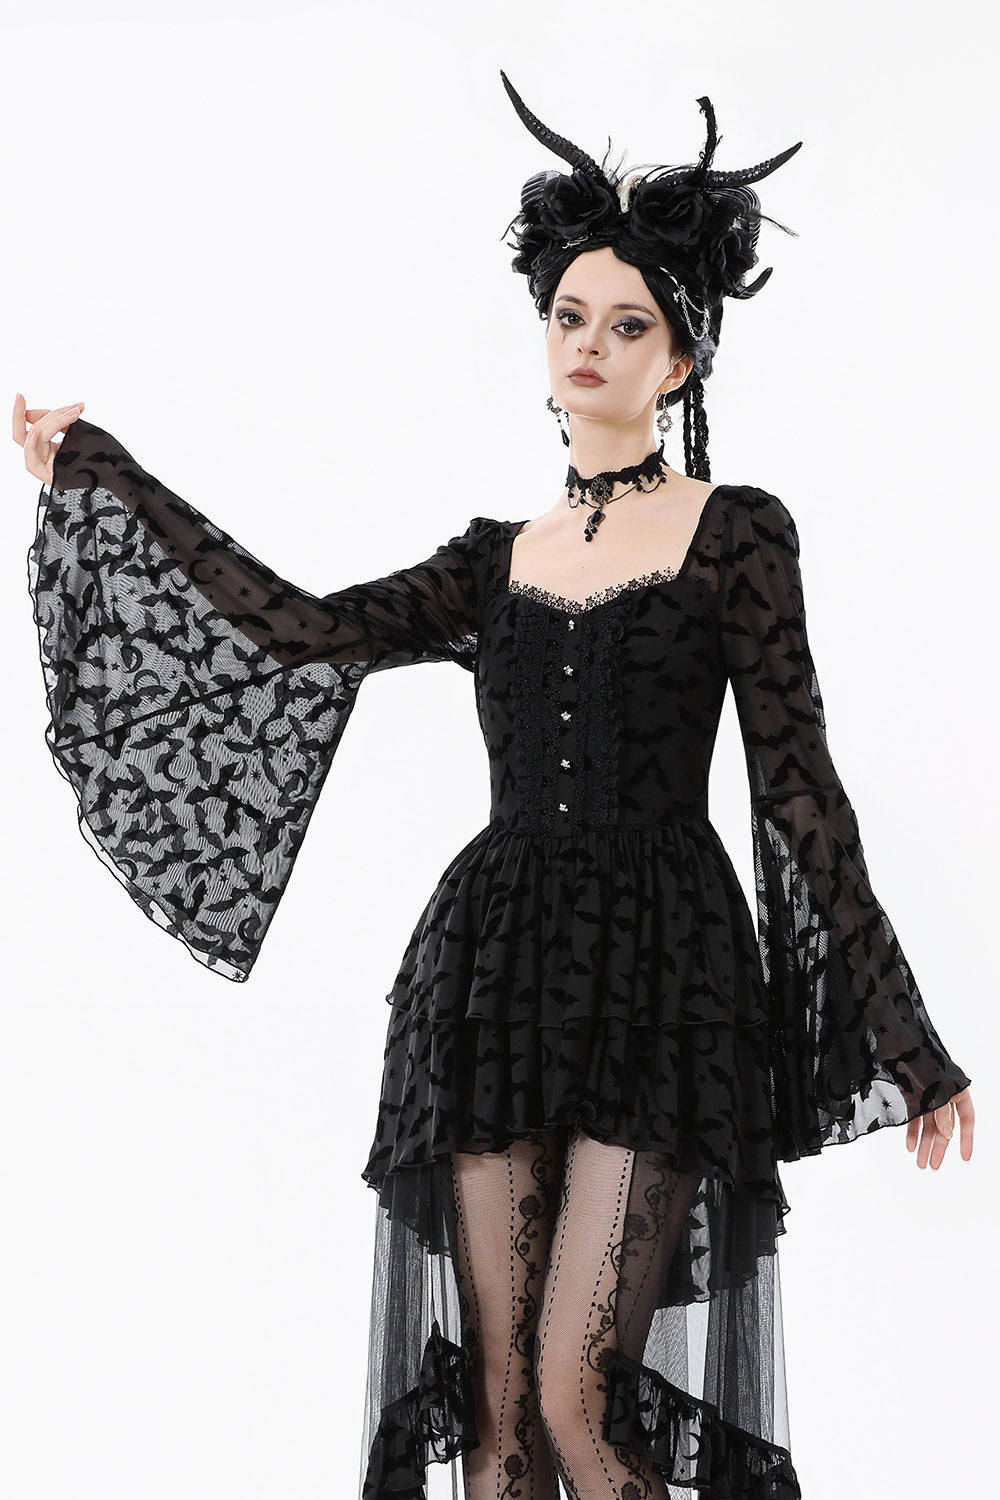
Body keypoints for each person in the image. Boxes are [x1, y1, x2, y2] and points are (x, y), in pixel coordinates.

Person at [17, 71, 974, 1500]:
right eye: (570, 316)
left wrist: (902, 1031)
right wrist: (98, 473)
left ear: (682, 363)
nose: (590, 344)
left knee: (584, 1405)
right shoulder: (492, 559)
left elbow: (798, 786)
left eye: (629, 325)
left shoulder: (735, 535)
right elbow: (301, 628)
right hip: (492, 978)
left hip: (665, 974)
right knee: (502, 1426)